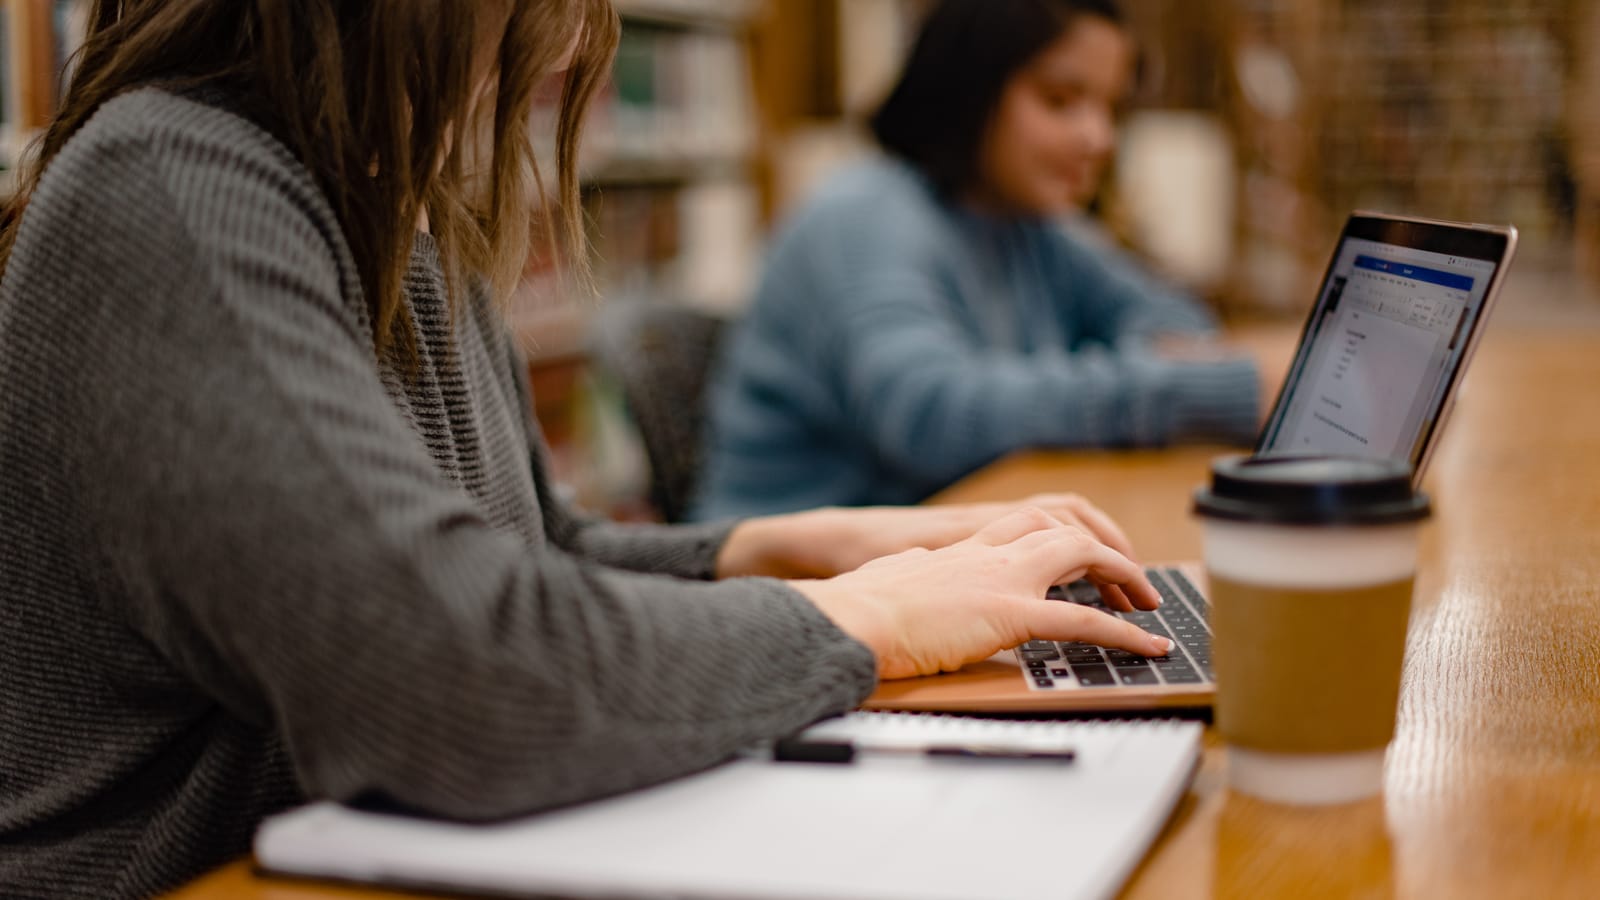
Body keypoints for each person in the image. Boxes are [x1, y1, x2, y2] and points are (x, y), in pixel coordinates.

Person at [0, 2, 1177, 897]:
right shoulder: (168, 189)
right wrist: (860, 622)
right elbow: (460, 684)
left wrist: (767, 552)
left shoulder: (395, 206)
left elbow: (528, 550)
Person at [692, 0, 1263, 521]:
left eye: (1111, 107)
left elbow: (1177, 324)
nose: (1099, 137)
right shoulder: (867, 215)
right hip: (789, 589)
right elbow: (935, 417)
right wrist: (1186, 388)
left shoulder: (1023, 219)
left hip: (927, 552)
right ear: (971, 88)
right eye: (1060, 101)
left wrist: (1050, 394)